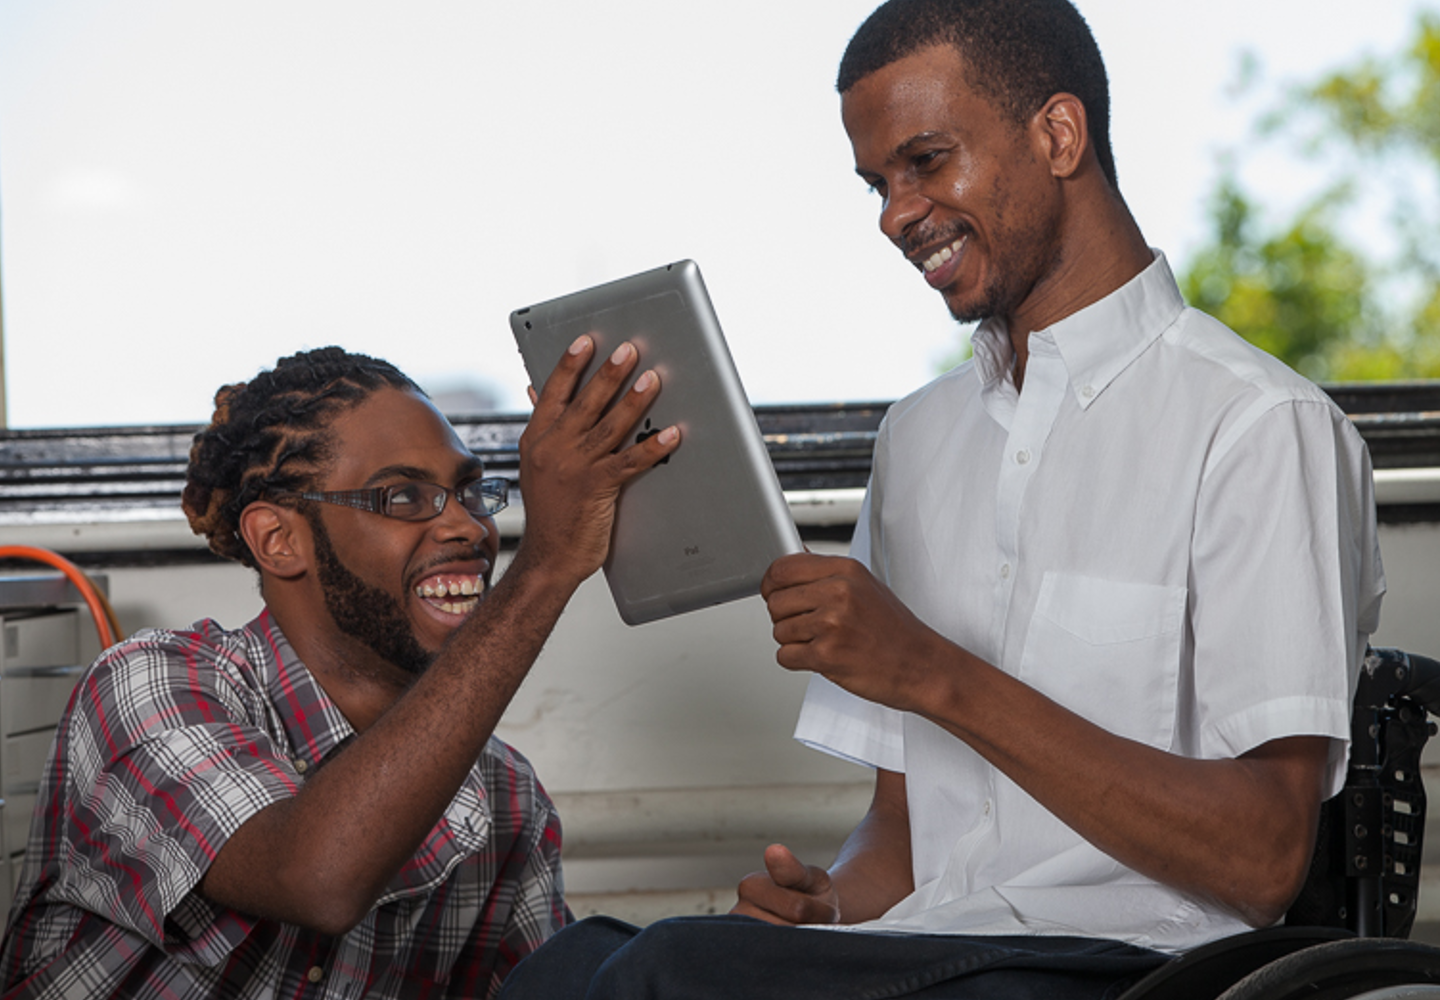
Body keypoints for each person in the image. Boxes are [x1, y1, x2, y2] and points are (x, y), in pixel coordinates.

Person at [497, 0, 1386, 996]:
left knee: (667, 969)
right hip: (937, 949)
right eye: (877, 183)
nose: (893, 214)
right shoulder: (918, 441)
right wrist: (829, 904)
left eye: (926, 161)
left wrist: (934, 671)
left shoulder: (1259, 427)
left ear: (1058, 134)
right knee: (570, 968)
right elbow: (907, 834)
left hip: (1140, 970)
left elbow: (1262, 862)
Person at [0, 342, 679, 999]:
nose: (469, 529)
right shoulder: (152, 685)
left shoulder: (506, 799)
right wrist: (547, 565)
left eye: (471, 493)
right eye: (403, 499)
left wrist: (700, 962)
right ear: (279, 539)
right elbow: (316, 876)